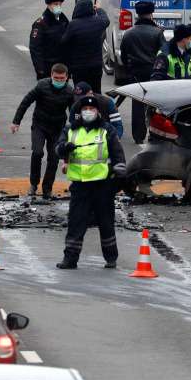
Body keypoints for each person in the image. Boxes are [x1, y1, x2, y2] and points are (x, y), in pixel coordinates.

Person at [56, 94, 127, 270]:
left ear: (97, 111)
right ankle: (70, 259)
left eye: (91, 109)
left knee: (106, 222)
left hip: (102, 184)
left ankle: (111, 258)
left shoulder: (106, 130)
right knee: (76, 222)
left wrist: (119, 176)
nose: (88, 112)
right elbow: (58, 148)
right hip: (80, 185)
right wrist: (64, 149)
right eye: (85, 109)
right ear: (80, 112)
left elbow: (118, 153)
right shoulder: (71, 130)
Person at [11, 64, 75, 199]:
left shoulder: (69, 92)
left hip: (57, 128)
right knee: (38, 152)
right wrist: (16, 121)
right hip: (40, 124)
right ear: (51, 76)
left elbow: (73, 112)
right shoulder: (42, 86)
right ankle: (33, 184)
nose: (59, 81)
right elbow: (26, 102)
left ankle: (47, 188)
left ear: (66, 77)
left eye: (61, 78)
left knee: (53, 157)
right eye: (56, 78)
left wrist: (75, 130)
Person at [118, 0, 166, 142]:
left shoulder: (129, 33)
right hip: (153, 72)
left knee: (137, 104)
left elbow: (123, 55)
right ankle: (155, 134)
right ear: (151, 14)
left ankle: (138, 136)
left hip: (135, 72)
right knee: (154, 104)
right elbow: (163, 53)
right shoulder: (157, 32)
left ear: (137, 14)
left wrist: (129, 70)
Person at [61, 0, 110, 92]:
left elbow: (64, 42)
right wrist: (99, 9)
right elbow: (106, 20)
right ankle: (94, 105)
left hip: (79, 67)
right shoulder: (98, 22)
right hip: (96, 66)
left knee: (80, 92)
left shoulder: (73, 25)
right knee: (96, 91)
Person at [29, 0, 68, 79]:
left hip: (62, 69)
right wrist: (40, 70)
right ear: (48, 5)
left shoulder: (64, 21)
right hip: (47, 70)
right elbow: (35, 49)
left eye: (60, 4)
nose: (58, 6)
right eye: (55, 4)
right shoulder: (40, 24)